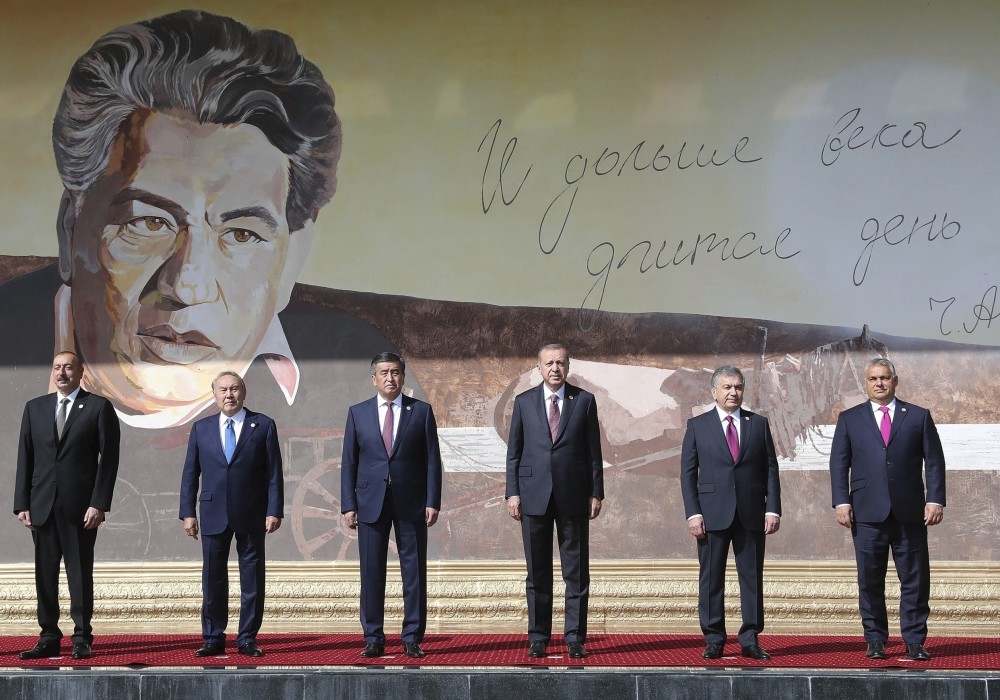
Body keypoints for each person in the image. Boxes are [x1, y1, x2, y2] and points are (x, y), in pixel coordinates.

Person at [11, 9, 346, 428]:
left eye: (241, 234)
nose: (188, 286)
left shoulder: (360, 367)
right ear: (70, 231)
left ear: (292, 255)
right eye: (149, 224)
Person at [829, 357, 945, 661]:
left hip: (910, 512)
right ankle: (876, 639)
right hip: (866, 513)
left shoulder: (918, 416)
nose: (879, 383)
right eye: (873, 379)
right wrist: (841, 501)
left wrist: (935, 499)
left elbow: (933, 461)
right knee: (869, 579)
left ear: (895, 380)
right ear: (866, 383)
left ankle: (915, 640)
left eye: (884, 378)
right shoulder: (850, 419)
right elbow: (839, 463)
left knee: (916, 579)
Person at [13, 351, 121, 660]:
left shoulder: (99, 407)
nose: (62, 373)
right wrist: (22, 502)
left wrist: (99, 503)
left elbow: (109, 460)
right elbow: (26, 457)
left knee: (79, 572)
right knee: (44, 573)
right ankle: (48, 635)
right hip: (42, 505)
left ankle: (81, 636)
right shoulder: (35, 408)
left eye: (68, 368)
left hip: (80, 508)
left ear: (80, 372)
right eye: (57, 368)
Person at [505, 343, 605, 659]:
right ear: (539, 368)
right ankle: (539, 637)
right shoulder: (523, 403)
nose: (555, 369)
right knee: (538, 572)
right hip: (533, 497)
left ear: (568, 366)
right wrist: (513, 492)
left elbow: (593, 453)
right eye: (549, 363)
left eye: (561, 363)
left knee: (576, 573)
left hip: (573, 497)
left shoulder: (584, 402)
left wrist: (596, 492)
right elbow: (514, 454)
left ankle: (575, 637)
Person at [341, 352, 443, 659]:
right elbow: (349, 462)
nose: (390, 378)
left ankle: (412, 636)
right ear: (374, 378)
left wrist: (432, 500)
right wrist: (348, 504)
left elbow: (432, 461)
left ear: (403, 377)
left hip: (411, 503)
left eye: (396, 372)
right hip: (370, 502)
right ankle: (373, 636)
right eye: (384, 372)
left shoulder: (421, 412)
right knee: (372, 573)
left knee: (413, 572)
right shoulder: (358, 413)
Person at [179, 371, 284, 657]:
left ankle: (247, 637)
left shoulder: (262, 425)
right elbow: (191, 474)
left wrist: (274, 509)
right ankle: (213, 637)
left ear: (244, 392)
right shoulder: (201, 428)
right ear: (214, 394)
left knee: (252, 577)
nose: (229, 394)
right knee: (213, 577)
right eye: (223, 389)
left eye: (234, 389)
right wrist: (187, 513)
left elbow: (274, 473)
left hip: (252, 512)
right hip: (213, 512)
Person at [679, 365, 781, 661]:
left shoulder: (758, 424)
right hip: (711, 516)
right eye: (726, 387)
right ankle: (714, 638)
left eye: (737, 387)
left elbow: (771, 470)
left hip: (752, 513)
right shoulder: (698, 426)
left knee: (752, 577)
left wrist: (772, 508)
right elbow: (687, 474)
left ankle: (750, 638)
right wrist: (692, 513)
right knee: (711, 578)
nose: (733, 392)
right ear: (714, 391)